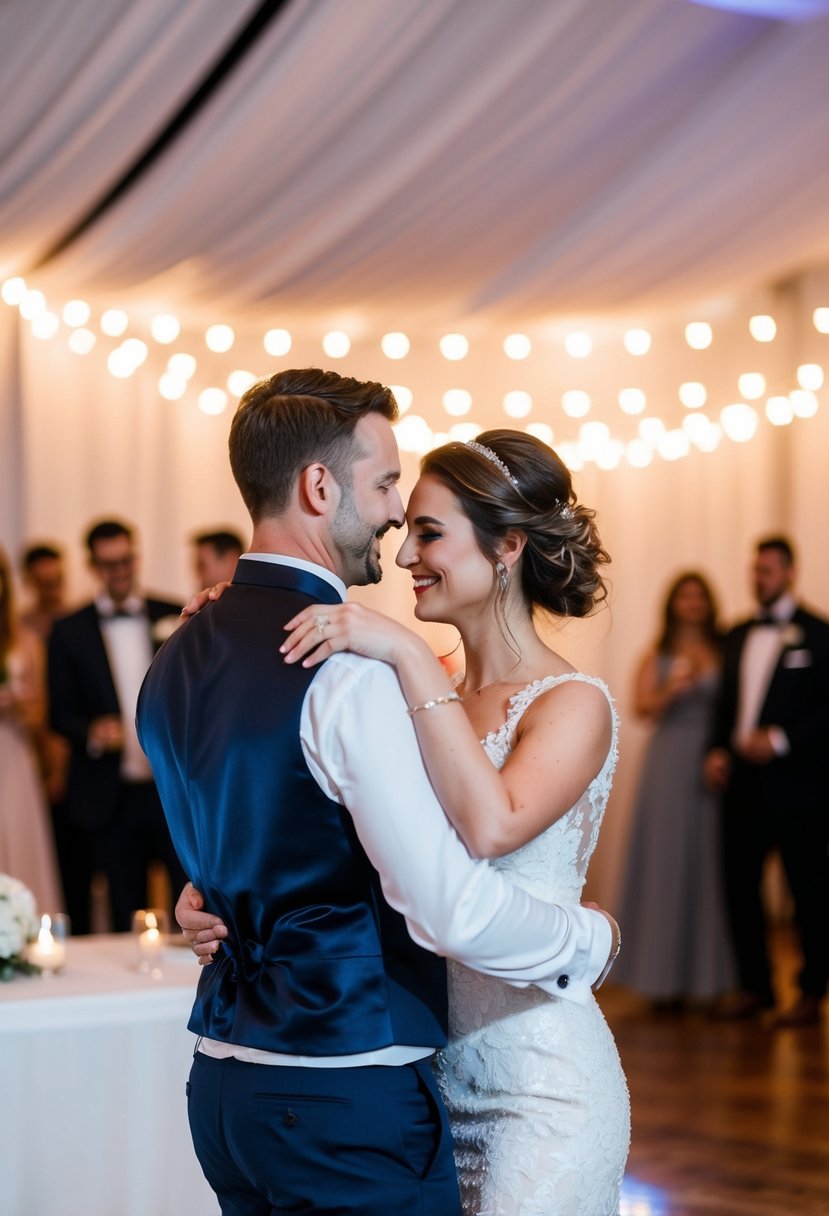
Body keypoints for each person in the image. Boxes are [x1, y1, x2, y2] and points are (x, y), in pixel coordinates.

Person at [137, 369, 622, 1216]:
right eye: (391, 489)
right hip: (375, 1071)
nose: (400, 537)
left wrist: (382, 647)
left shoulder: (193, 654)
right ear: (319, 487)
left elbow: (485, 823)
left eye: (428, 528)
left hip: (525, 1071)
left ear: (505, 548)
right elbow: (433, 897)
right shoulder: (374, 677)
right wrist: (592, 939)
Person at [705, 537, 829, 1028]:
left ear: (790, 573)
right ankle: (754, 986)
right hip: (742, 786)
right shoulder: (736, 633)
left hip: (800, 786)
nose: (760, 578)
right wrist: (716, 749)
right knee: (740, 888)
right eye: (755, 570)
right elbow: (724, 704)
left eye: (769, 570)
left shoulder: (819, 635)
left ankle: (810, 993)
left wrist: (780, 739)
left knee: (808, 892)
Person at [48, 519, 186, 932]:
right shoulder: (68, 631)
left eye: (125, 560)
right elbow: (58, 713)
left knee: (190, 892)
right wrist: (90, 733)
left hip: (170, 786)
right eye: (109, 564)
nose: (120, 571)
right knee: (126, 904)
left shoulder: (174, 612)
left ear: (136, 557)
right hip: (109, 794)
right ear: (93, 566)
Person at [613, 572, 735, 1009]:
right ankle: (659, 980)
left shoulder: (724, 649)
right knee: (664, 864)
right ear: (672, 603)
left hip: (711, 761)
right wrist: (672, 687)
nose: (693, 603)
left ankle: (708, 979)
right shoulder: (657, 653)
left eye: (700, 595)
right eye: (685, 595)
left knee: (708, 864)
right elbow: (642, 707)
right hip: (667, 762)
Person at [0, 547, 63, 912]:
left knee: (19, 833)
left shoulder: (24, 639)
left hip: (14, 748)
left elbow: (42, 714)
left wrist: (19, 704)